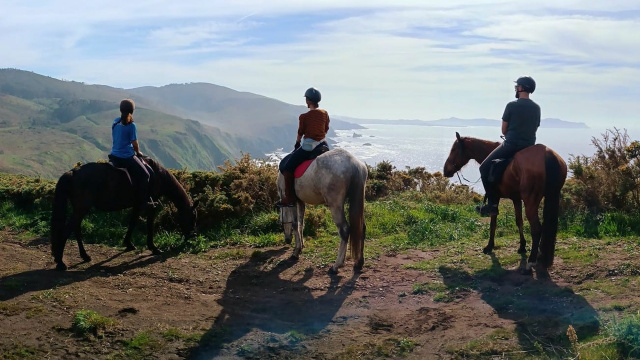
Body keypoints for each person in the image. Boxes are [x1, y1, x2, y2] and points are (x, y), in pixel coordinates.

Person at [477, 76, 540, 216]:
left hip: (511, 144)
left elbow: (504, 131)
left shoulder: (511, 105)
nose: (516, 88)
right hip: (529, 146)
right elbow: (534, 128)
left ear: (522, 88)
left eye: (517, 86)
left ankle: (492, 205)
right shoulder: (536, 108)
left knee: (484, 168)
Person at [276, 87, 330, 207]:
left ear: (309, 101)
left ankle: (289, 198)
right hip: (323, 145)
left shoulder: (304, 117)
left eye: (306, 99)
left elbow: (300, 132)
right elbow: (326, 129)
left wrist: (297, 143)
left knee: (288, 167)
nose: (306, 101)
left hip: (309, 147)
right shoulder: (324, 113)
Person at [108, 99, 154, 211]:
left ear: (120, 109)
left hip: (114, 155)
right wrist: (138, 153)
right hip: (126, 157)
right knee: (145, 175)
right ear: (132, 111)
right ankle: (143, 203)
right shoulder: (131, 126)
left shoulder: (115, 122)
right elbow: (134, 143)